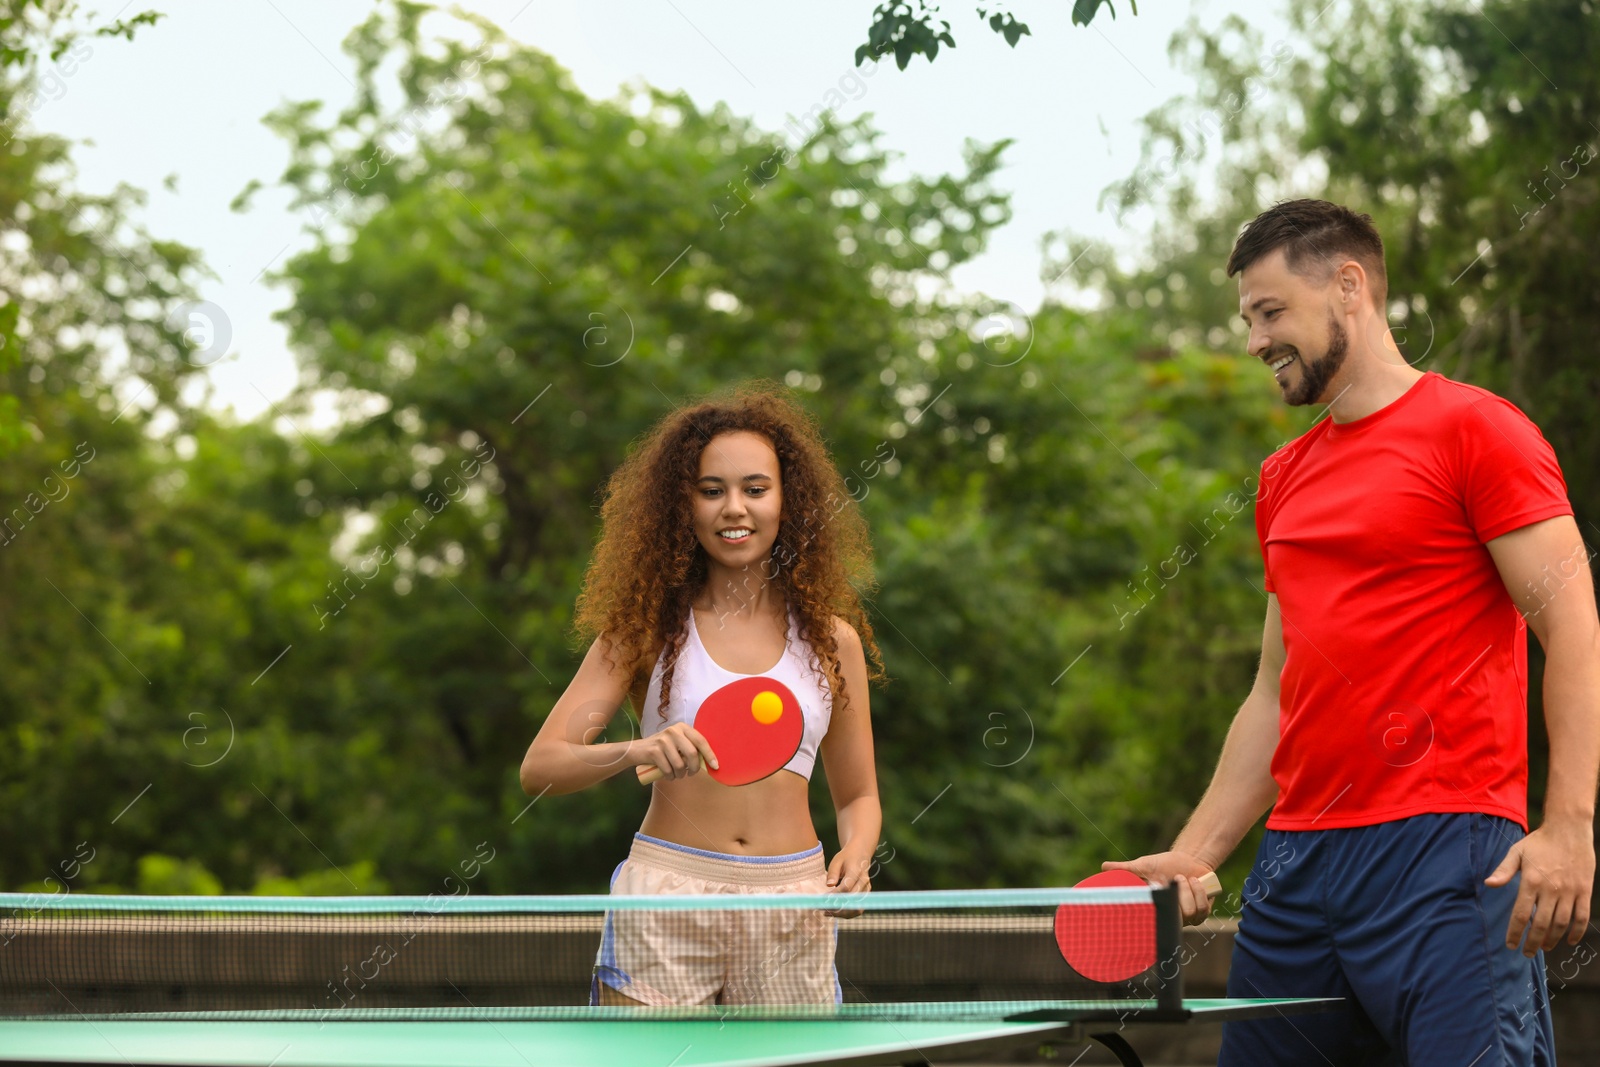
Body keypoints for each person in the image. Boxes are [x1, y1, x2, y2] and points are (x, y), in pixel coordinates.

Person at [1107, 199, 1599, 1065]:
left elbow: (1575, 629)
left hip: (1446, 855)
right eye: (1248, 320)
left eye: (1269, 312)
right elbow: (1274, 692)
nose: (1256, 340)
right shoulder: (1283, 478)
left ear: (1349, 285)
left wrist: (1567, 823)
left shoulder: (1476, 430)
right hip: (1296, 869)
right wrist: (1193, 854)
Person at [519, 382, 882, 1009]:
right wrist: (639, 749)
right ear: (681, 505)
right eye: (711, 490)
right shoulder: (641, 630)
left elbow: (858, 794)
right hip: (669, 892)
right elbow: (541, 767)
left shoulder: (832, 641)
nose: (734, 508)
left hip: (794, 900)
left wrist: (857, 851)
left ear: (787, 501)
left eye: (755, 489)